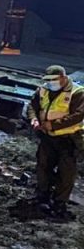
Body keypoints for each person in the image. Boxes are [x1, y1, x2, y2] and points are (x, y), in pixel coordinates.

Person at [14, 65, 84, 222]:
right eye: (48, 80)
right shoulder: (43, 90)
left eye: (54, 80)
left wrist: (53, 125)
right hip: (47, 138)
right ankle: (42, 196)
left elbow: (78, 116)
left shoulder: (77, 93)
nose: (51, 83)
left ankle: (59, 203)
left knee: (66, 172)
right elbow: (32, 106)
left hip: (69, 139)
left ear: (63, 78)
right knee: (43, 166)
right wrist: (33, 118)